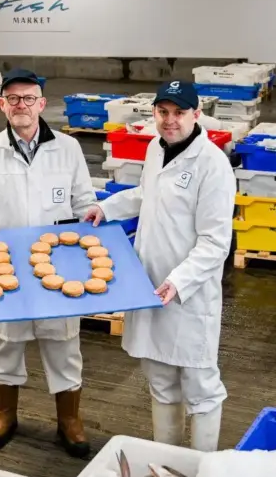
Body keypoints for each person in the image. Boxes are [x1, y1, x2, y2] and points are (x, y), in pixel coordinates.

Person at [84, 80, 235, 452]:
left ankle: (202, 470)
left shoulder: (212, 165)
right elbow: (147, 193)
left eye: (179, 112)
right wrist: (107, 207)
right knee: (161, 380)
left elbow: (216, 241)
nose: (169, 121)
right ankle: (168, 463)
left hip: (188, 296)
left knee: (201, 388)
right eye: (162, 112)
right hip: (149, 284)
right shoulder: (155, 148)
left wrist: (180, 281)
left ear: (197, 114)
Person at [0, 68, 98, 457]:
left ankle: (69, 420)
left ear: (42, 104)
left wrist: (90, 219)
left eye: (29, 99)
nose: (20, 106)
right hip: (7, 264)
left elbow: (83, 200)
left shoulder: (68, 149)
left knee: (63, 341)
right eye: (13, 99)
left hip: (57, 264)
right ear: (1, 104)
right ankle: (4, 412)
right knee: (6, 339)